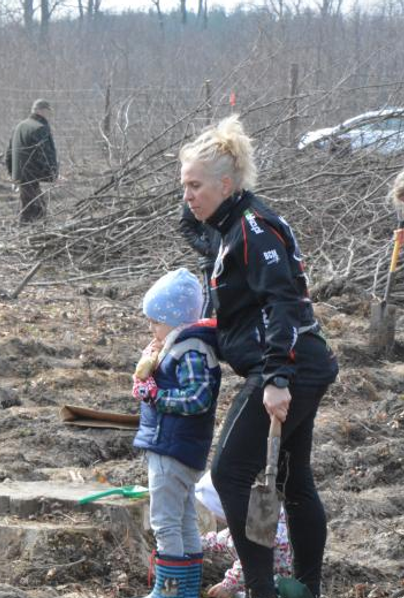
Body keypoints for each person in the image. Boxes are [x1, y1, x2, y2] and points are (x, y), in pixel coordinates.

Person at [180, 115, 338, 598]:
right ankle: (303, 589)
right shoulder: (225, 224)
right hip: (294, 363)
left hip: (293, 365)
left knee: (230, 472)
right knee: (292, 477)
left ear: (227, 185)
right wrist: (194, 198)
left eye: (195, 186)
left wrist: (277, 379)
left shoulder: (255, 229)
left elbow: (285, 303)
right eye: (183, 186)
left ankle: (262, 589)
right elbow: (194, 230)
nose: (187, 196)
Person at [131, 268, 221, 598]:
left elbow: (198, 398)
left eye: (155, 321)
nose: (151, 327)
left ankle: (168, 590)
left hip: (173, 447)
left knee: (165, 521)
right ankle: (185, 589)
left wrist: (154, 396)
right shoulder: (176, 347)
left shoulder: (189, 349)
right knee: (183, 520)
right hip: (176, 444)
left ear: (175, 318)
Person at [194, 472, 294, 598]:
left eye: (214, 510)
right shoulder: (248, 518)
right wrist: (196, 542)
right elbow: (222, 540)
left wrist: (228, 586)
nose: (213, 515)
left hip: (283, 584)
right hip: (267, 578)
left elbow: (252, 558)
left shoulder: (261, 527)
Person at [5, 99, 59, 223]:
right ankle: (28, 238)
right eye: (48, 112)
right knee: (36, 211)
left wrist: (12, 173)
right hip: (32, 176)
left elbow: (9, 153)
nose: (49, 115)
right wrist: (53, 174)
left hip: (21, 176)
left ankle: (25, 235)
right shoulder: (40, 128)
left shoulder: (20, 126)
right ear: (42, 111)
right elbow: (46, 154)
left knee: (31, 207)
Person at [178, 203, 220, 317]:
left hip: (231, 252)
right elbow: (185, 227)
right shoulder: (192, 197)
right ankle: (200, 329)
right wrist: (205, 248)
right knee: (210, 296)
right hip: (210, 256)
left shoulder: (229, 193)